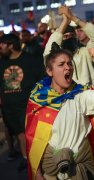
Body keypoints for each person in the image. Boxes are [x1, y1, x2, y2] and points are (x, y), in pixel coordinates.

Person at [25, 44, 94, 179]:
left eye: (70, 64)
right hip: (51, 174)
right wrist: (38, 173)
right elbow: (33, 141)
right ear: (49, 71)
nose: (68, 67)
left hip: (80, 171)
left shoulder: (80, 94)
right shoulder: (39, 100)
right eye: (61, 64)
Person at [0, 33, 44, 171]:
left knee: (32, 135)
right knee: (20, 135)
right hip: (9, 108)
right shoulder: (1, 62)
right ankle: (27, 160)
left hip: (29, 106)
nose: (0, 47)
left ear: (11, 46)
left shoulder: (30, 60)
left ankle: (39, 162)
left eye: (2, 44)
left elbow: (42, 81)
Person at [44, 5, 94, 90]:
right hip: (66, 98)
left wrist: (73, 18)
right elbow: (50, 46)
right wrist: (65, 21)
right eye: (65, 37)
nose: (68, 38)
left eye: (71, 36)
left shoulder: (84, 51)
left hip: (89, 97)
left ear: (75, 37)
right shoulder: (55, 57)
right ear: (60, 39)